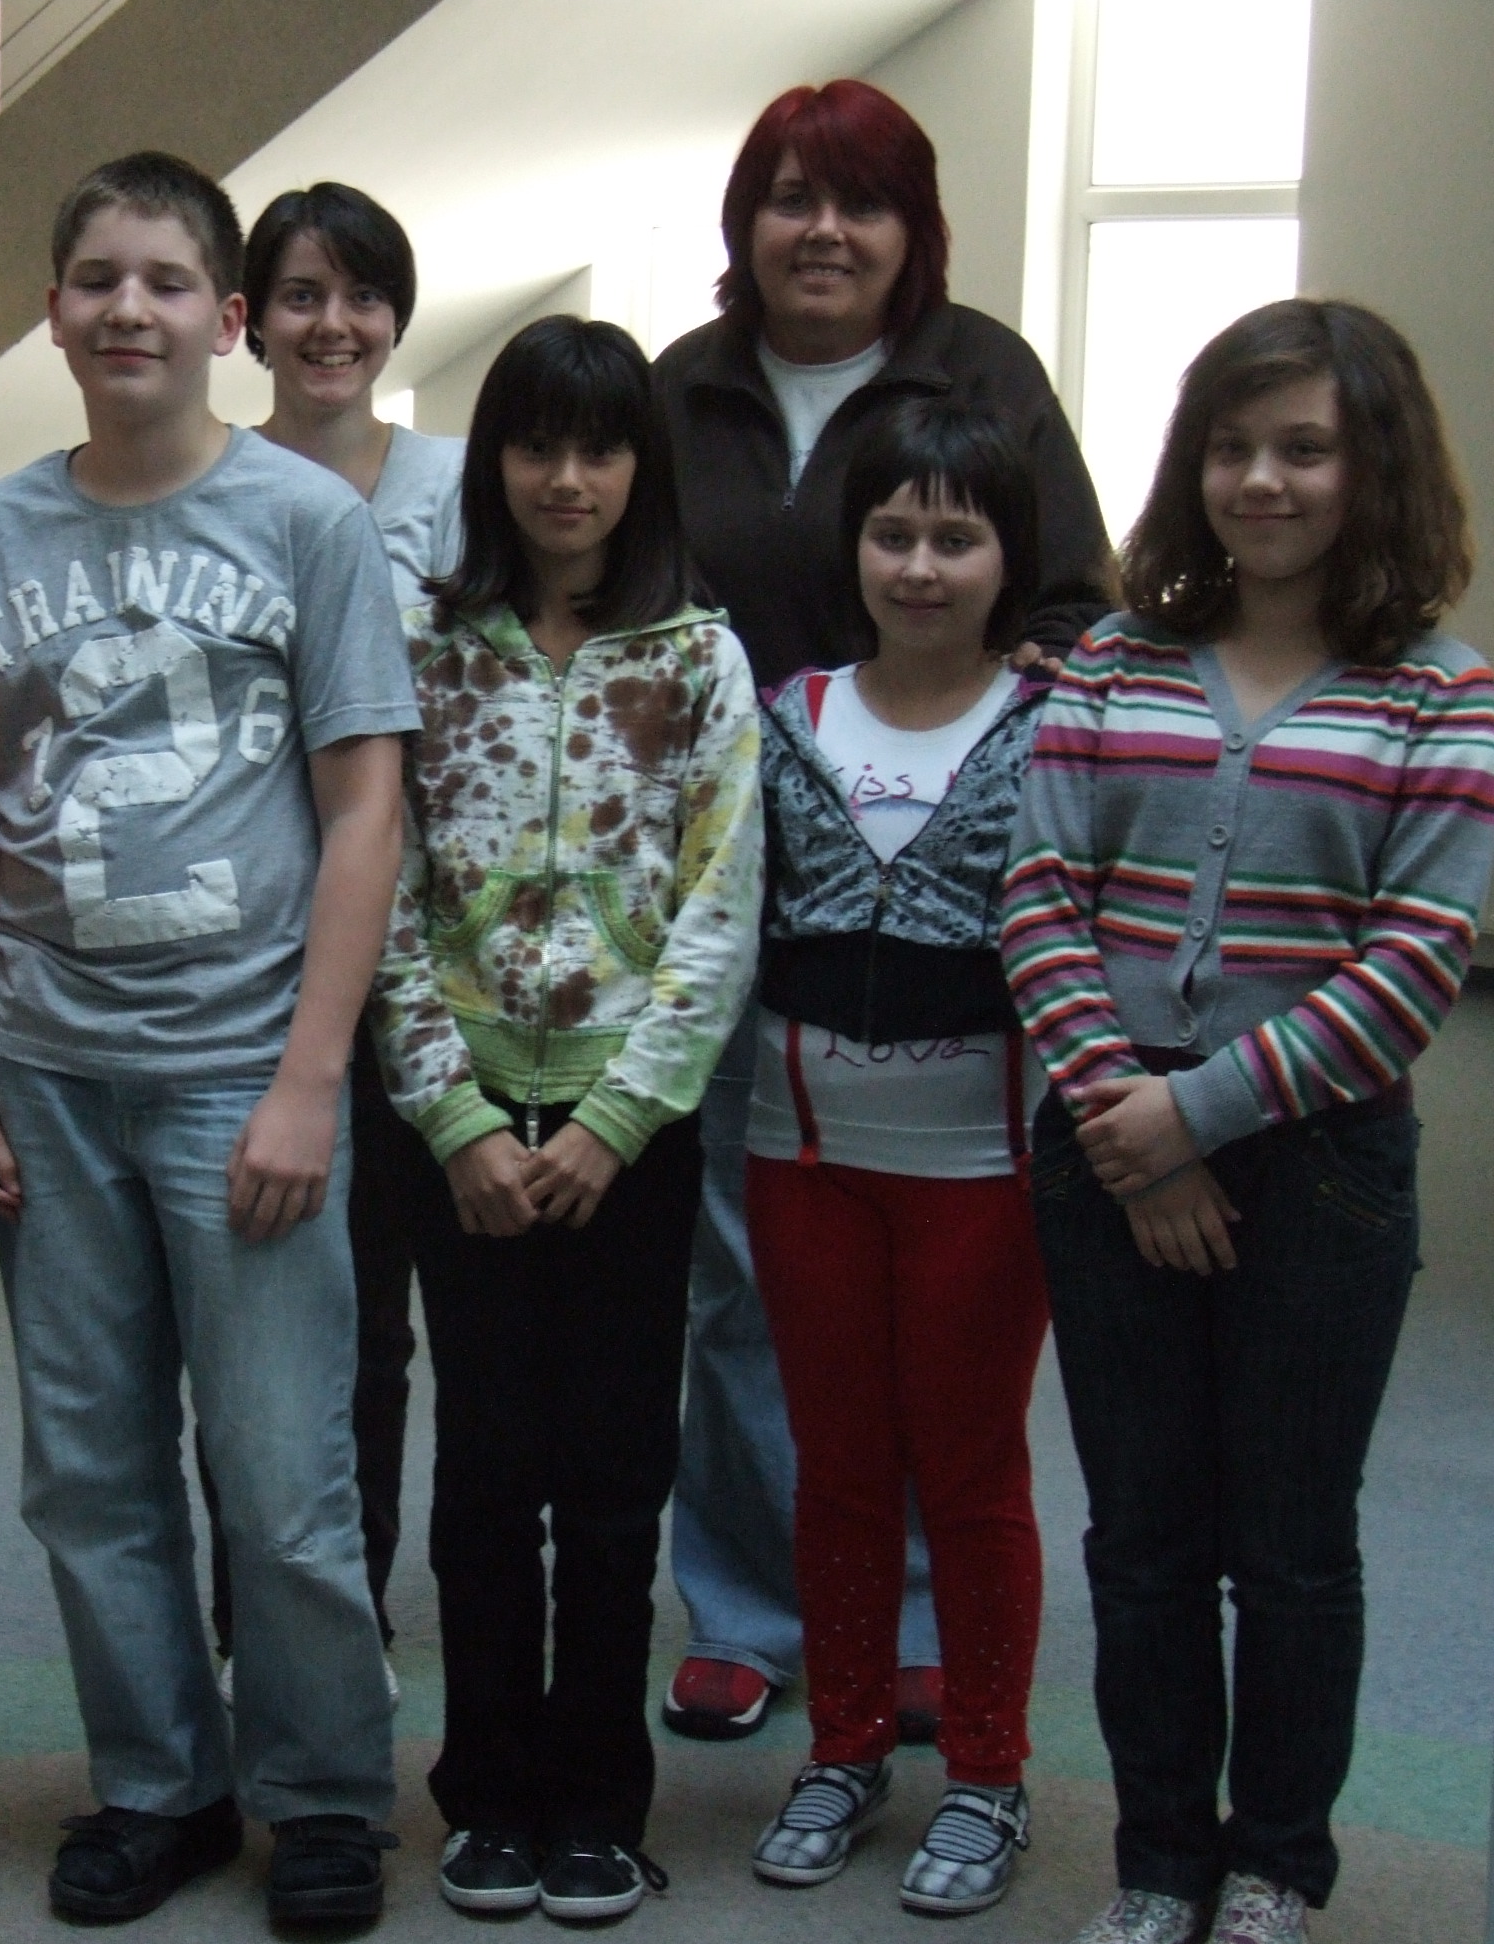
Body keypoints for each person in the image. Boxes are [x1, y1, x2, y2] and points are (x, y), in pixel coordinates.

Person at [0, 151, 417, 1927]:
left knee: (283, 1479)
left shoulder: (306, 522)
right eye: (95, 278)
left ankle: (325, 1794)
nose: (125, 308)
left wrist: (309, 1082)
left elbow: (363, 811)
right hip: (48, 1068)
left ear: (225, 320)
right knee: (90, 1472)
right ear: (53, 314)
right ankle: (160, 1785)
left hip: (241, 1072)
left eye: (162, 281)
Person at [1004, 299, 1494, 1944]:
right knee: (1142, 1540)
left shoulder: (1441, 695)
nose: (1261, 481)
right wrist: (1127, 1120)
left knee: (1290, 1548)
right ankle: (1159, 1863)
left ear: (1376, 468)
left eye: (1304, 449)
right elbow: (1038, 897)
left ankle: (1276, 1865)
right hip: (1105, 1134)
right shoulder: (1110, 662)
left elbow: (1414, 964)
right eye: (1231, 447)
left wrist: (1195, 1117)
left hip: (1319, 1161)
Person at [649, 75, 1111, 1743]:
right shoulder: (680, 387)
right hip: (718, 887)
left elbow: (1076, 606)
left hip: (940, 902)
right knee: (741, 1275)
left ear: (915, 229)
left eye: (862, 201)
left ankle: (915, 1617)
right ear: (746, 223)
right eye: (791, 197)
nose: (825, 231)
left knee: (936, 1290)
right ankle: (748, 1608)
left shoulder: (984, 375)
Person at [372, 314, 761, 1924]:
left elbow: (720, 909)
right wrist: (453, 1118)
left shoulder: (698, 657)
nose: (568, 478)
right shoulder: (425, 648)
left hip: (627, 1135)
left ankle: (598, 1801)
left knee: (610, 1481)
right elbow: (381, 891)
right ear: (495, 462)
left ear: (639, 467)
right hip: (462, 1123)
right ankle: (488, 1793)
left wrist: (619, 1117)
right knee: (483, 1476)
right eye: (537, 444)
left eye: (601, 447)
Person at [744, 399, 1051, 1916]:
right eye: (892, 534)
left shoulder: (1055, 724)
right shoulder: (784, 713)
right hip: (800, 1159)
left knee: (972, 1468)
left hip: (983, 1176)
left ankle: (987, 1772)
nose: (920, 567)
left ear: (1006, 558)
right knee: (840, 1467)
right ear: (852, 547)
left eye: (956, 537)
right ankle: (846, 1744)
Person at [194, 178, 464, 1709]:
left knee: (383, 1325)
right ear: (252, 319)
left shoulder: (459, 489)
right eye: (300, 295)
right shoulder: (210, 484)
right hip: (256, 965)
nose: (332, 325)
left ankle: (348, 1609)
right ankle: (264, 1623)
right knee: (264, 1316)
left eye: (360, 296)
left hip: (433, 969)